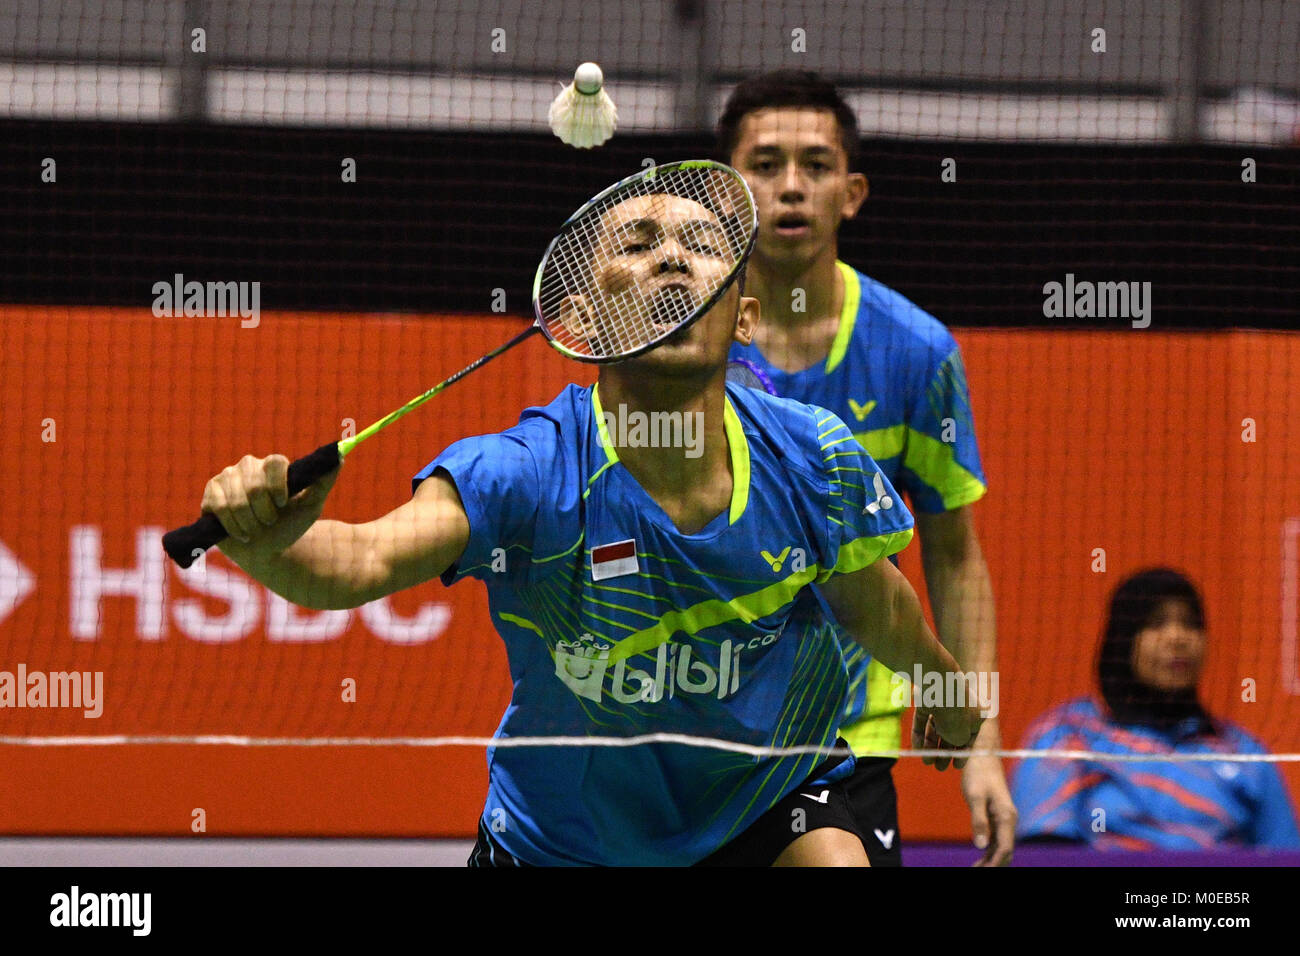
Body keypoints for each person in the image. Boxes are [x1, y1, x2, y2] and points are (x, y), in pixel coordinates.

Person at [197, 183, 983, 866]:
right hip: (568, 840)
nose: (672, 258)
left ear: (743, 318)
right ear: (579, 319)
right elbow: (359, 562)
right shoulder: (529, 473)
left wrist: (941, 680)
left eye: (702, 246)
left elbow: (872, 601)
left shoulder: (811, 457)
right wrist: (270, 544)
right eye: (638, 244)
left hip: (759, 799)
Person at [718, 70, 1015, 865]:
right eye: (764, 164)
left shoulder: (914, 354)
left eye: (814, 166)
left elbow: (955, 557)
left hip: (846, 735)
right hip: (693, 728)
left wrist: (978, 737)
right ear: (727, 191)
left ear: (850, 193)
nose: (789, 188)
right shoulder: (682, 347)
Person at [1013, 568, 1300, 850]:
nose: (1177, 637)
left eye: (1191, 624)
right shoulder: (1067, 735)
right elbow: (1044, 854)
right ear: (1123, 638)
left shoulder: (1244, 753)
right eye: (1156, 623)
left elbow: (1286, 857)